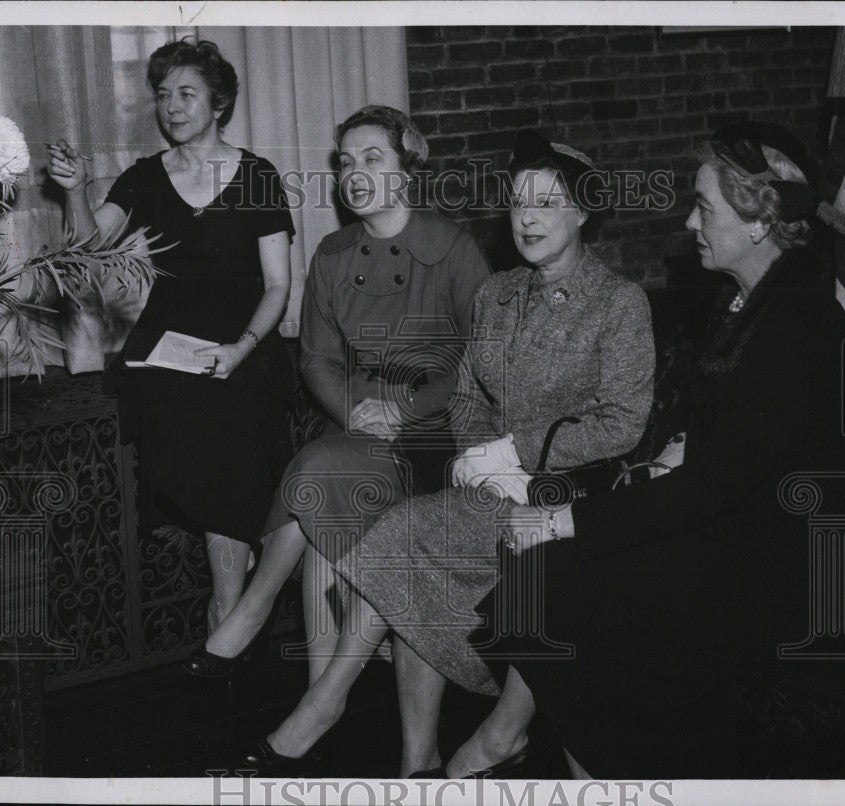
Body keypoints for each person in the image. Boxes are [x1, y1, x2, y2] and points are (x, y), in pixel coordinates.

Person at [434, 121, 845, 780]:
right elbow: (726, 434)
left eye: (704, 207)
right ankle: (529, 748)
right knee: (550, 579)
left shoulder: (797, 325)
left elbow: (714, 485)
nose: (689, 221)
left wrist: (562, 518)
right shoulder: (756, 297)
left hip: (805, 569)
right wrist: (680, 443)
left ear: (761, 221)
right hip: (748, 526)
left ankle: (532, 752)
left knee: (563, 581)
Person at [238, 128, 656, 776]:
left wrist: (517, 455)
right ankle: (410, 759)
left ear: (582, 212)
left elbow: (623, 425)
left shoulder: (619, 303)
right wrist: (477, 455)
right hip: (490, 485)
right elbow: (464, 394)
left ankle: (324, 709)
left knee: (409, 537)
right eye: (519, 202)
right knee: (402, 529)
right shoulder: (497, 294)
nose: (528, 217)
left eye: (546, 202)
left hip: (566, 499)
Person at [185, 105, 491, 683]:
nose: (355, 172)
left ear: (407, 169)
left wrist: (405, 408)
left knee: (318, 469)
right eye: (346, 161)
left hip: (437, 433)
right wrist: (354, 410)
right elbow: (317, 358)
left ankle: (254, 612)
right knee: (322, 478)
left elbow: (482, 357)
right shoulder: (331, 254)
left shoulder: (455, 249)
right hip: (355, 424)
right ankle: (321, 693)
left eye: (373, 158)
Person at [46, 38, 296, 633]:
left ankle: (227, 612)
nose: (172, 106)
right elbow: (87, 252)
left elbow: (278, 286)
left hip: (247, 347)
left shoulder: (257, 174)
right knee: (207, 452)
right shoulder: (144, 178)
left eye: (187, 93)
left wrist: (240, 348)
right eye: (163, 95)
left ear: (219, 103)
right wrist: (76, 191)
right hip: (170, 352)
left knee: (232, 441)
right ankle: (232, 612)